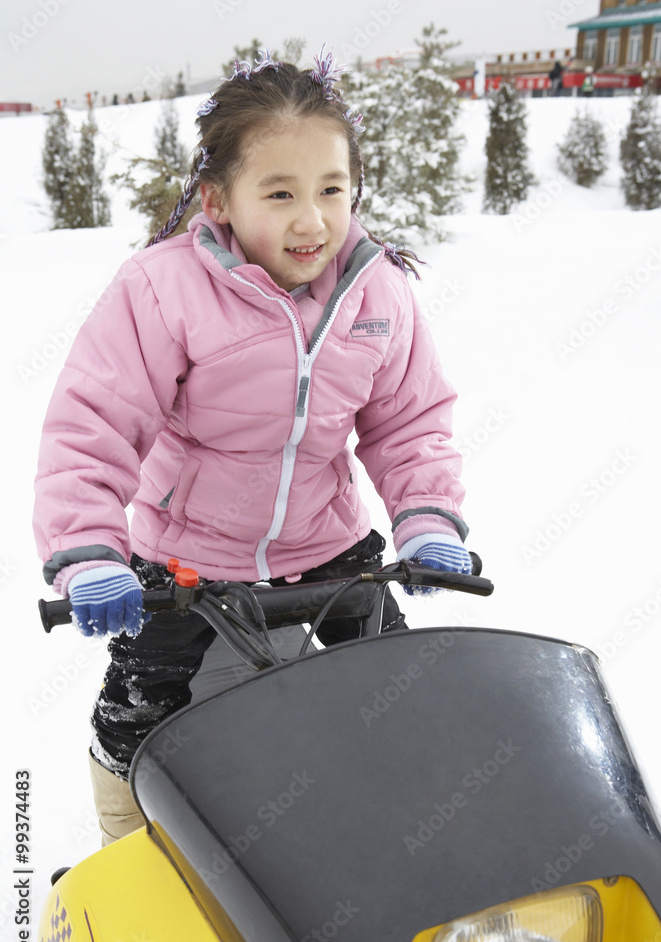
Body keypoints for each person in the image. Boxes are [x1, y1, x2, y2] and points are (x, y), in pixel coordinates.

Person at [33, 50, 472, 845]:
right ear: (219, 199)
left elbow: (410, 419)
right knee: (140, 709)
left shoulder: (375, 291)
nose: (312, 221)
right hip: (184, 557)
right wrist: (90, 552)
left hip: (327, 541)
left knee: (405, 692)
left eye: (331, 190)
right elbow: (92, 426)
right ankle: (126, 857)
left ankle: (410, 846)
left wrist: (427, 518)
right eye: (280, 194)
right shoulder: (163, 289)